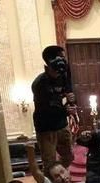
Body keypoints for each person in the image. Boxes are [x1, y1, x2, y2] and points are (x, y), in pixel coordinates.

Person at [31, 45, 74, 173]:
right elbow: (45, 110)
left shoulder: (64, 74)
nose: (63, 60)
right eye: (61, 57)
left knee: (68, 157)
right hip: (46, 127)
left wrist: (71, 99)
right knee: (49, 162)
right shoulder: (39, 83)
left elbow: (69, 93)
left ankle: (58, 176)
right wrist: (65, 111)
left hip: (61, 124)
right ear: (50, 60)